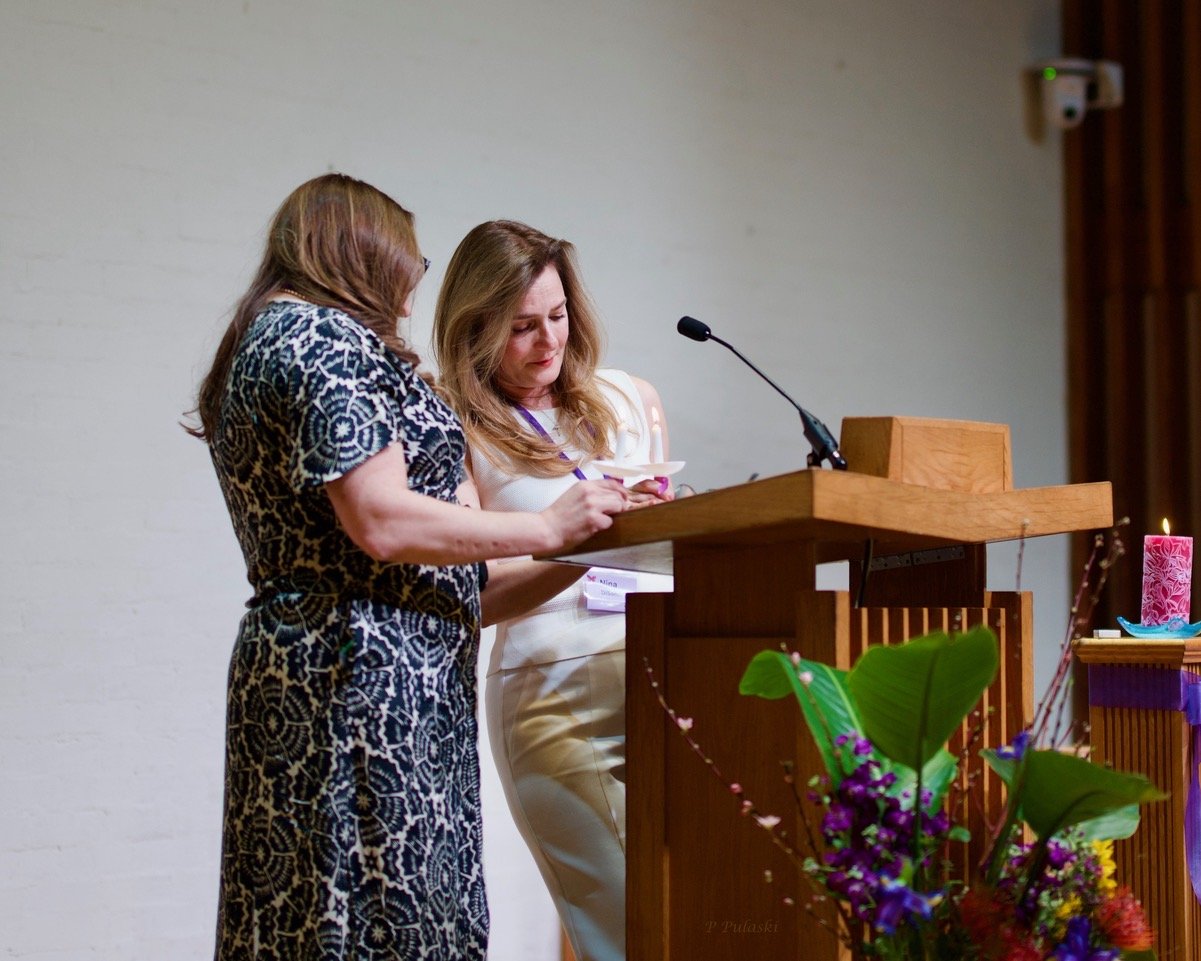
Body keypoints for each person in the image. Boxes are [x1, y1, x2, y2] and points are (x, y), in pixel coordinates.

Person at [185, 176, 629, 961]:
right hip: (365, 682)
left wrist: (577, 545)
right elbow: (381, 519)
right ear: (365, 255)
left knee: (321, 921)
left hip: (355, 667)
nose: (411, 283)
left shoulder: (273, 334)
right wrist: (543, 525)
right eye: (409, 262)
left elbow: (458, 581)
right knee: (381, 923)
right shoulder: (321, 337)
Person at [433, 220, 675, 961]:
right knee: (630, 935)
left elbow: (662, 547)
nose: (548, 342)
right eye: (521, 327)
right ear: (474, 329)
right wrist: (568, 540)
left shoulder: (629, 398)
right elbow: (467, 598)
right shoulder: (449, 426)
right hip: (556, 699)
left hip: (668, 680)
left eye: (559, 315)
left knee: (699, 917)